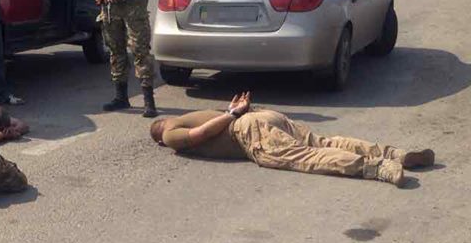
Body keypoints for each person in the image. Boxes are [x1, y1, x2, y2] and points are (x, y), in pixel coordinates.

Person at [149, 92, 435, 187]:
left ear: (159, 138)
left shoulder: (170, 134)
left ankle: (377, 167)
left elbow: (203, 134)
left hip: (247, 129)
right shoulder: (187, 114)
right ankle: (396, 153)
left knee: (307, 157)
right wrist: (237, 110)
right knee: (323, 142)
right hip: (266, 117)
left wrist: (231, 113)